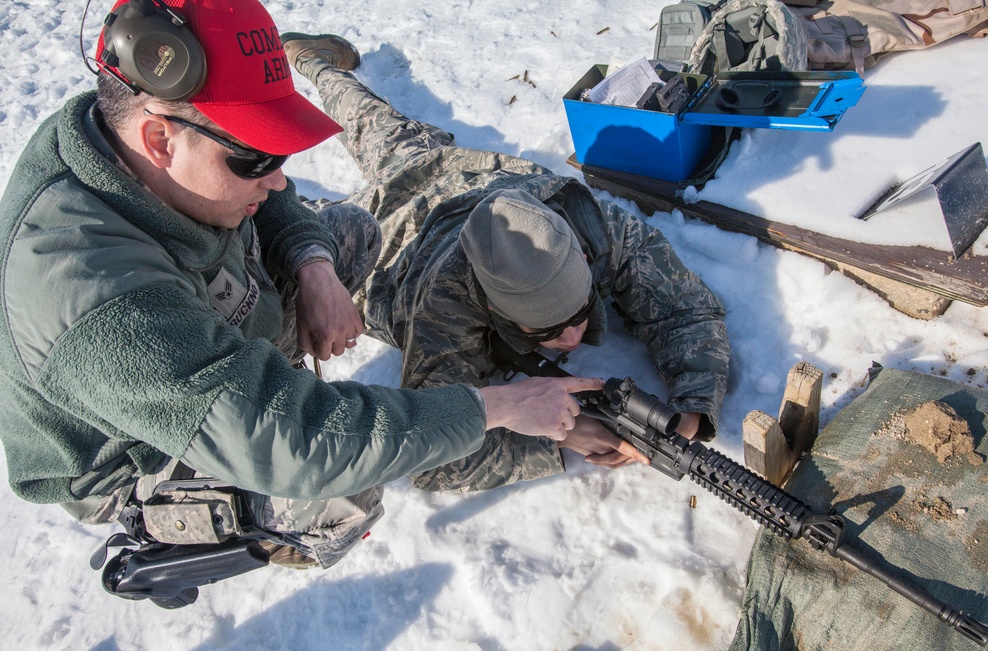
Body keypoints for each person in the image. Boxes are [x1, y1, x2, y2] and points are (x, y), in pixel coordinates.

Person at [0, 0, 601, 577]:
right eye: (256, 158)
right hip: (132, 448)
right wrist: (497, 407)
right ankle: (178, 540)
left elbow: (275, 195)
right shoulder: (94, 296)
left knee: (351, 236)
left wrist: (313, 265)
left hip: (206, 314)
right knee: (341, 491)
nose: (280, 176)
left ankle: (259, 368)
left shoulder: (126, 130)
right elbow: (297, 444)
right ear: (160, 140)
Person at [279, 34, 731, 493]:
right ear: (492, 310)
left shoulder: (597, 228)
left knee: (371, 117)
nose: (573, 339)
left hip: (447, 170)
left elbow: (686, 309)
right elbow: (431, 456)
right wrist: (558, 441)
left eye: (579, 314)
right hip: (387, 241)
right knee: (276, 212)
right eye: (547, 332)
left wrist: (691, 411)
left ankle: (317, 62)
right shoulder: (440, 311)